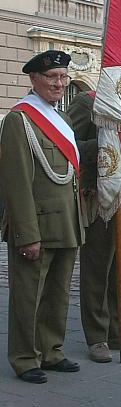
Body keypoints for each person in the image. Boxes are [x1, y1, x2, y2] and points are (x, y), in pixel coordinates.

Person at [0, 50, 83, 383]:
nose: (59, 83)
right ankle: (24, 357)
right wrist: (26, 233)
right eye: (52, 77)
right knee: (27, 294)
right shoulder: (20, 119)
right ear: (34, 79)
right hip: (36, 222)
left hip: (65, 220)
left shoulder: (59, 118)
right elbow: (16, 182)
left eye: (63, 77)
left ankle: (51, 350)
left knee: (57, 292)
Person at [71, 56, 121, 362]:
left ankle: (119, 330)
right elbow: (70, 144)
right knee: (97, 269)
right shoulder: (88, 103)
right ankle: (96, 335)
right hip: (102, 197)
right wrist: (104, 148)